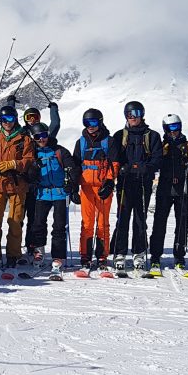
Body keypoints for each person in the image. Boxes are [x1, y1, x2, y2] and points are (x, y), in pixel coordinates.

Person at [6, 95, 61, 258]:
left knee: (34, 217)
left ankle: (31, 245)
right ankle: (16, 247)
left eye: (35, 117)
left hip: (37, 183)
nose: (31, 120)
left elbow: (56, 124)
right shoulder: (21, 133)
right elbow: (10, 119)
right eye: (28, 117)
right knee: (18, 217)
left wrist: (54, 110)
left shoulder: (44, 134)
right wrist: (10, 104)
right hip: (22, 181)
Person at [111, 100, 161, 274]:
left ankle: (139, 252)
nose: (133, 118)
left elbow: (157, 160)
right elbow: (114, 158)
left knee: (140, 219)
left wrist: (143, 168)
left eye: (137, 114)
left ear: (142, 115)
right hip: (125, 183)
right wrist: (121, 168)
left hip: (142, 183)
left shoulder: (152, 136)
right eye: (130, 115)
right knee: (122, 218)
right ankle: (119, 253)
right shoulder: (119, 136)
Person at [0, 105, 34, 267]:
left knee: (15, 221)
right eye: (4, 120)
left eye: (10, 119)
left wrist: (14, 164)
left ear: (15, 119)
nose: (7, 123)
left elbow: (29, 160)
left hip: (18, 185)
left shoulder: (24, 139)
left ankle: (13, 255)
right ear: (0, 121)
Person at [149, 114, 188, 275]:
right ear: (165, 128)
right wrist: (160, 155)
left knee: (182, 224)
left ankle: (179, 257)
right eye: (171, 128)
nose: (174, 131)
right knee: (159, 223)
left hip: (183, 190)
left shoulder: (186, 144)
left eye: (177, 127)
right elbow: (153, 164)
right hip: (165, 188)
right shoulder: (161, 144)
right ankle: (155, 257)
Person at [27, 122, 78, 277]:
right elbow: (28, 174)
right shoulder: (33, 153)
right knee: (38, 224)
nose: (41, 139)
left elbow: (73, 168)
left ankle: (58, 257)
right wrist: (33, 168)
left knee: (59, 226)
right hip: (42, 193)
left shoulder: (59, 151)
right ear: (33, 138)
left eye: (44, 135)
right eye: (38, 137)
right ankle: (39, 252)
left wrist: (71, 184)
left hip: (60, 193)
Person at [71, 109, 118, 272]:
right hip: (86, 188)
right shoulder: (81, 142)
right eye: (86, 123)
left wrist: (110, 182)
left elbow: (114, 163)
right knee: (87, 222)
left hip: (103, 187)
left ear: (100, 122)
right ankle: (85, 255)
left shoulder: (108, 141)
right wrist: (73, 186)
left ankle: (102, 255)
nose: (90, 127)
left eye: (93, 123)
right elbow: (75, 165)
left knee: (103, 223)